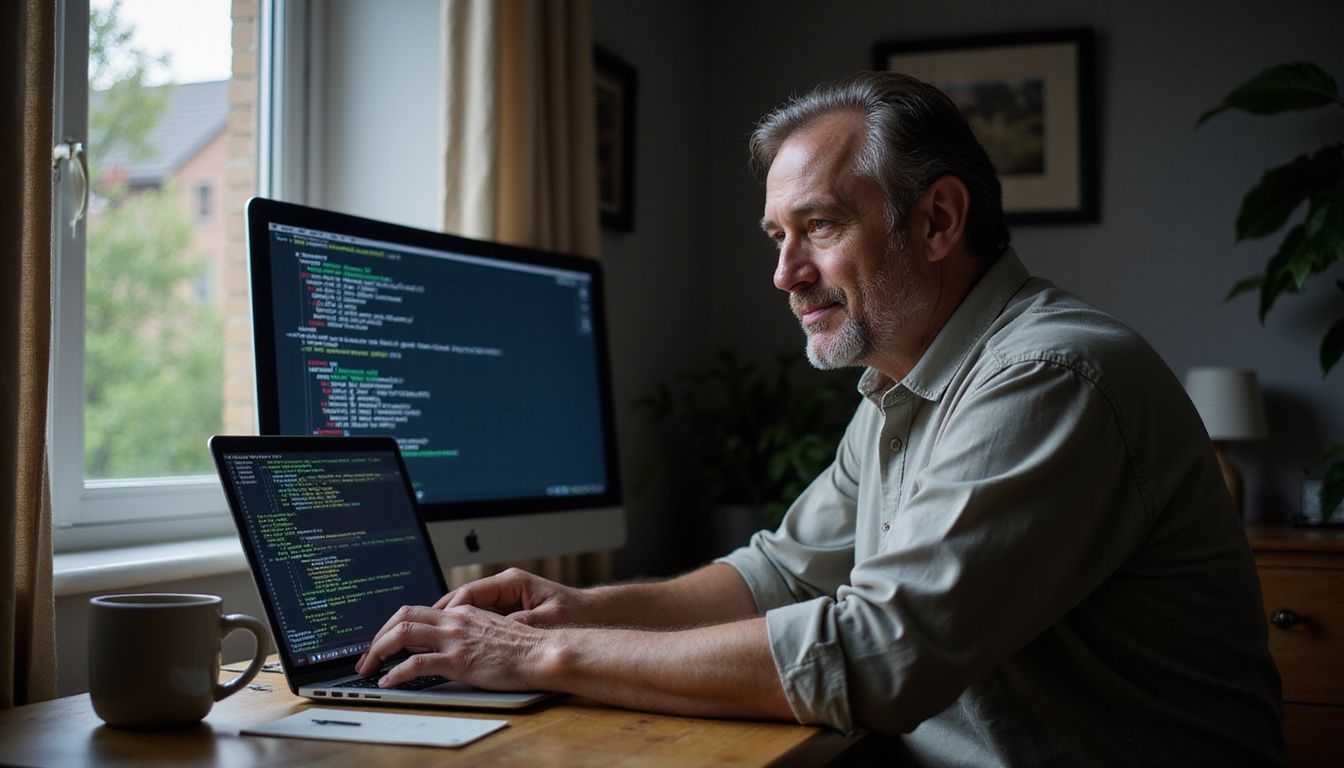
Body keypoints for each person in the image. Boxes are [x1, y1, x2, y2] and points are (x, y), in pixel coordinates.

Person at [356, 72, 1284, 765]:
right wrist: (585, 606)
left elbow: (874, 657)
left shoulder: (1050, 376)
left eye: (821, 228)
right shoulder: (905, 382)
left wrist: (542, 653)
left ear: (937, 221)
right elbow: (781, 574)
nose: (784, 273)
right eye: (777, 236)